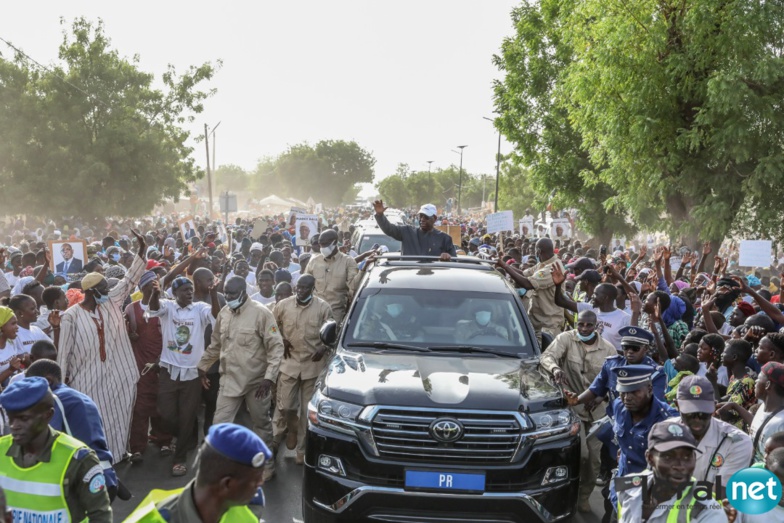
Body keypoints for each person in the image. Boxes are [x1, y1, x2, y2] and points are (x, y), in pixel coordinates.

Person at [54, 229, 147, 465]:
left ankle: (115, 457)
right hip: (85, 379)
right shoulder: (71, 317)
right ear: (92, 292)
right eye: (104, 289)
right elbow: (63, 354)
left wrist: (142, 250)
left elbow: (129, 282)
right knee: (92, 421)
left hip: (116, 375)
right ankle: (92, 464)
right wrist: (61, 387)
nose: (109, 291)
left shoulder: (112, 301)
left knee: (118, 416)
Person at [198, 276, 284, 482]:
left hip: (256, 383)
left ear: (243, 292)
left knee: (261, 425)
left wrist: (269, 378)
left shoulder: (261, 314)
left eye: (232, 294)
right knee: (219, 426)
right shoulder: (224, 314)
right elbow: (216, 344)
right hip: (229, 380)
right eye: (226, 293)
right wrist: (202, 366)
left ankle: (267, 468)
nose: (228, 297)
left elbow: (276, 347)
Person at [0, 377, 112, 522]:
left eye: (24, 418)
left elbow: (100, 515)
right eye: (11, 418)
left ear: (48, 415)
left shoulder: (78, 459)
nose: (14, 426)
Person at [540, 309, 617, 512]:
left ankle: (583, 498)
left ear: (596, 326)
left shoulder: (609, 350)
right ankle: (568, 494)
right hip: (573, 407)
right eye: (580, 324)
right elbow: (547, 357)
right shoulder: (566, 339)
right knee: (580, 455)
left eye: (588, 325)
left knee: (594, 461)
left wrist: (601, 396)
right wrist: (555, 369)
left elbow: (614, 380)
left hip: (598, 412)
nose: (584, 328)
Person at [124, 423, 270, 522]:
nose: (260, 483)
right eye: (255, 480)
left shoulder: (252, 504)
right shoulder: (156, 519)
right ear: (227, 484)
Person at [147, 276, 219, 476]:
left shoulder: (200, 308)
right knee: (166, 413)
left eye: (191, 290)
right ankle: (183, 438)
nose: (189, 293)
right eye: (185, 290)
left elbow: (217, 315)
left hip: (192, 374)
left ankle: (179, 459)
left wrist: (213, 294)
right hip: (169, 371)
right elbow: (153, 308)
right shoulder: (168, 307)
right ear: (175, 293)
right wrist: (154, 292)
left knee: (187, 416)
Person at [25, 358, 122, 500]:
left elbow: (45, 443)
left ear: (48, 381)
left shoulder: (55, 399)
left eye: (32, 386)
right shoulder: (79, 396)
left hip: (84, 480)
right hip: (105, 475)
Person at [272, 274, 334, 465]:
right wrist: (280, 338)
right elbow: (271, 327)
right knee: (286, 406)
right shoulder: (283, 305)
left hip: (312, 366)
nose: (300, 291)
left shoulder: (323, 308)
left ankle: (301, 450)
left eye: (305, 288)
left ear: (313, 289)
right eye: (298, 287)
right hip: (289, 364)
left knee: (308, 411)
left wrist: (323, 347)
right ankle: (291, 429)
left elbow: (332, 334)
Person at [614, 420, 727, 522]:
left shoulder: (707, 510)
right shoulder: (627, 487)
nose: (680, 466)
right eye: (668, 457)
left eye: (687, 457)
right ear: (650, 458)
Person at [605, 365, 679, 511]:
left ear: (650, 389)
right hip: (622, 486)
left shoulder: (669, 421)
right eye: (623, 392)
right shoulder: (619, 406)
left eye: (634, 392)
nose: (627, 398)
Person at [125, 270, 172, 463]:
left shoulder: (167, 307)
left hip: (163, 364)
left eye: (157, 283)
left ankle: (164, 441)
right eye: (151, 283)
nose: (155, 286)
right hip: (140, 366)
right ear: (142, 287)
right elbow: (124, 333)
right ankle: (137, 447)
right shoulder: (131, 309)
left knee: (163, 406)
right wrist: (130, 335)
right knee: (140, 408)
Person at [675, 375, 752, 489]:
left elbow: (721, 493)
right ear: (677, 405)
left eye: (704, 411)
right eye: (690, 412)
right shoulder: (662, 432)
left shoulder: (738, 442)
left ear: (714, 406)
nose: (697, 418)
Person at [552, 267, 638, 351]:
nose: (592, 296)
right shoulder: (589, 309)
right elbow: (560, 301)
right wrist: (558, 285)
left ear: (605, 298)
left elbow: (632, 344)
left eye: (596, 294)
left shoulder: (624, 318)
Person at [496, 238, 564, 338]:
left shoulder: (552, 267)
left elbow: (527, 283)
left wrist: (505, 267)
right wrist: (504, 264)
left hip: (548, 325)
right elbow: (523, 274)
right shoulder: (542, 264)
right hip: (537, 324)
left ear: (539, 251)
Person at [303, 229, 361, 323]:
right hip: (314, 314)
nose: (322, 247)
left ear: (334, 242)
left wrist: (363, 269)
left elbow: (353, 286)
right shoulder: (314, 261)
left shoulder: (348, 262)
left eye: (325, 244)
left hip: (335, 316)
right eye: (320, 244)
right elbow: (305, 283)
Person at [372, 200, 456, 259]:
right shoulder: (407, 231)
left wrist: (448, 257)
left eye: (426, 217)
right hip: (409, 280)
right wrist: (380, 215)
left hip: (433, 281)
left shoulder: (445, 239)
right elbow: (389, 229)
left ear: (434, 218)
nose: (422, 219)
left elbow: (454, 261)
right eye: (420, 216)